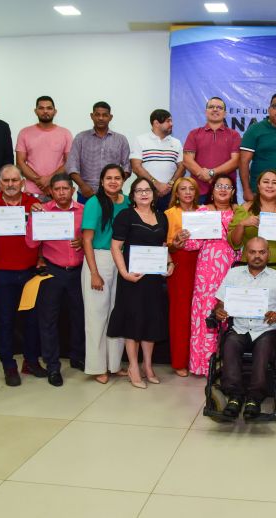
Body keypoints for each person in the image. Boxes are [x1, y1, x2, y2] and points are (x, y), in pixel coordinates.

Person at [0, 165, 44, 386]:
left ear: (22, 182)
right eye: (6, 181)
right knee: (5, 321)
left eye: (15, 180)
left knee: (31, 321)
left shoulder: (34, 204)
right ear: (0, 183)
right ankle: (9, 365)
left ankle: (31, 361)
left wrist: (40, 217)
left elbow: (43, 236)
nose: (11, 184)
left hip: (30, 270)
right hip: (3, 272)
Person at [107, 177, 172, 388]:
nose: (144, 194)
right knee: (133, 322)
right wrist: (124, 273)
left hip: (153, 279)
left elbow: (162, 246)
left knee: (151, 320)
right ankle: (134, 367)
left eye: (147, 190)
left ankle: (148, 366)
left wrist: (169, 263)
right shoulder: (126, 216)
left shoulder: (162, 217)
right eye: (139, 190)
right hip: (132, 279)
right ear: (132, 195)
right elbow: (116, 247)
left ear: (154, 194)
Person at [214, 237, 276, 419]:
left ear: (268, 254)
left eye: (262, 252)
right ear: (246, 253)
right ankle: (235, 396)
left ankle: (255, 398)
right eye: (253, 252)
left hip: (266, 330)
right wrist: (219, 310)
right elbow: (220, 301)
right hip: (239, 327)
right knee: (229, 343)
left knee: (263, 349)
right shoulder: (234, 274)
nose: (257, 256)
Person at [229, 169, 276, 352]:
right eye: (266, 182)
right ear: (258, 186)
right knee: (251, 310)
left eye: (274, 182)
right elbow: (235, 243)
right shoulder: (245, 208)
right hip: (253, 270)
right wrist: (242, 224)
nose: (270, 186)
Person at [25, 173, 85, 386]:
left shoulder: (83, 211)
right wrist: (34, 220)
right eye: (57, 189)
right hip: (52, 272)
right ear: (51, 191)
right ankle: (52, 367)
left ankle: (78, 356)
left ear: (72, 190)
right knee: (48, 321)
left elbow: (92, 238)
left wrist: (83, 240)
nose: (61, 193)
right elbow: (32, 245)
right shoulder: (43, 212)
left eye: (65, 189)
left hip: (79, 272)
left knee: (80, 317)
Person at [184, 175, 241, 376]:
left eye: (228, 186)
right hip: (207, 270)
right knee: (205, 314)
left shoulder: (239, 212)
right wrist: (184, 236)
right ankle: (204, 365)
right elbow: (192, 245)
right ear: (212, 189)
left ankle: (228, 366)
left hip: (232, 268)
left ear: (234, 191)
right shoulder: (202, 211)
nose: (223, 190)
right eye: (219, 186)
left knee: (230, 312)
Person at [80, 165, 131, 384]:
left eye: (117, 178)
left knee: (117, 314)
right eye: (108, 178)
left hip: (122, 259)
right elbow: (87, 240)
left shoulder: (128, 201)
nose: (113, 181)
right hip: (99, 259)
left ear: (123, 180)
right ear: (101, 181)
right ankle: (97, 366)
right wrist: (94, 272)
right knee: (96, 316)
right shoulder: (94, 202)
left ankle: (114, 364)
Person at [165, 177, 201, 376]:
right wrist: (175, 244)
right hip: (180, 264)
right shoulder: (169, 214)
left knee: (201, 312)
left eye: (191, 189)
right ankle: (179, 361)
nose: (187, 192)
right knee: (180, 313)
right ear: (176, 193)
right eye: (183, 189)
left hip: (203, 264)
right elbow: (165, 245)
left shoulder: (204, 212)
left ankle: (199, 358)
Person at [65, 101, 131, 204]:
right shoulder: (81, 138)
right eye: (97, 114)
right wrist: (83, 186)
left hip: (114, 195)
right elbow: (71, 166)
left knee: (115, 220)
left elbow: (127, 167)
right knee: (88, 220)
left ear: (110, 117)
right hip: (86, 193)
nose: (101, 118)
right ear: (92, 116)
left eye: (105, 115)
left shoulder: (120, 139)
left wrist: (115, 184)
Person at [182, 97, 241, 201]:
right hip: (198, 191)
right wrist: (204, 174)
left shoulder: (234, 135)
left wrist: (211, 173)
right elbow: (187, 160)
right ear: (206, 112)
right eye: (211, 107)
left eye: (219, 107)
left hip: (225, 192)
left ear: (225, 113)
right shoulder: (194, 134)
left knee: (229, 218)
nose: (215, 109)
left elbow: (236, 161)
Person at [15, 96, 73, 200]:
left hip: (57, 193)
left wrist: (50, 179)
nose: (45, 111)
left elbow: (69, 162)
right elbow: (20, 163)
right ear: (35, 111)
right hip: (31, 194)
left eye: (49, 108)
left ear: (55, 111)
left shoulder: (65, 133)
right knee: (30, 217)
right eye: (41, 108)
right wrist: (40, 181)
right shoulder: (25, 133)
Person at [130, 109, 185, 213]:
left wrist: (170, 185)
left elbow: (182, 167)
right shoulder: (140, 140)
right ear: (156, 123)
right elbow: (136, 167)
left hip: (170, 194)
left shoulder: (176, 142)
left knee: (168, 224)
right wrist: (156, 184)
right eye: (168, 121)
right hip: (146, 192)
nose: (171, 124)